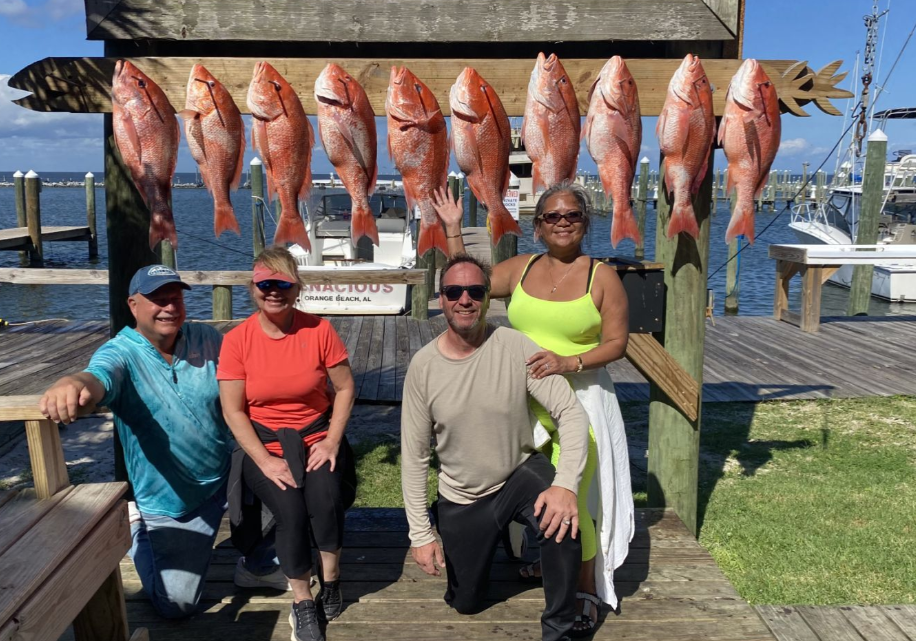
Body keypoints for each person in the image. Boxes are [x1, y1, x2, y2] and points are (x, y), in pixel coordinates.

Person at [433, 180, 634, 635]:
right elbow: (468, 286)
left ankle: (582, 590)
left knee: (574, 497)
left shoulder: (601, 276)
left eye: (572, 216)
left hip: (579, 402)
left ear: (585, 222)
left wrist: (571, 360)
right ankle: (550, 563)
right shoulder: (520, 268)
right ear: (537, 226)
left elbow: (618, 343)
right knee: (524, 484)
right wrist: (451, 230)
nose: (562, 223)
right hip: (522, 401)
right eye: (552, 217)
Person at [38, 264, 285, 619]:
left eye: (175, 297)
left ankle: (259, 564)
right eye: (157, 299)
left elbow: (255, 367)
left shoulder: (208, 338)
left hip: (226, 474)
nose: (169, 306)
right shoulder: (121, 352)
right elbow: (98, 378)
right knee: (177, 606)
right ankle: (138, 527)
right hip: (173, 501)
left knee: (282, 463)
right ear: (133, 305)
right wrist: (72, 382)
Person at [401, 254, 590, 641]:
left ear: (489, 298)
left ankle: (560, 629)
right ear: (441, 298)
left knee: (563, 522)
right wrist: (420, 534)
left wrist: (566, 484)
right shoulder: (423, 367)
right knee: (465, 602)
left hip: (518, 474)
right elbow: (415, 456)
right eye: (454, 291)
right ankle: (497, 542)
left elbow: (571, 413)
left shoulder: (517, 346)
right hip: (463, 496)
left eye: (475, 291)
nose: (464, 299)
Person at [218, 247, 356, 641]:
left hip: (315, 437)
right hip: (263, 445)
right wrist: (264, 461)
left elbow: (345, 388)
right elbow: (233, 412)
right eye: (265, 284)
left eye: (283, 284)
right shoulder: (238, 340)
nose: (273, 291)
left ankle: (331, 580)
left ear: (296, 288)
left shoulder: (319, 330)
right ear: (253, 288)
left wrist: (331, 442)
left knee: (325, 497)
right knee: (291, 510)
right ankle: (302, 601)